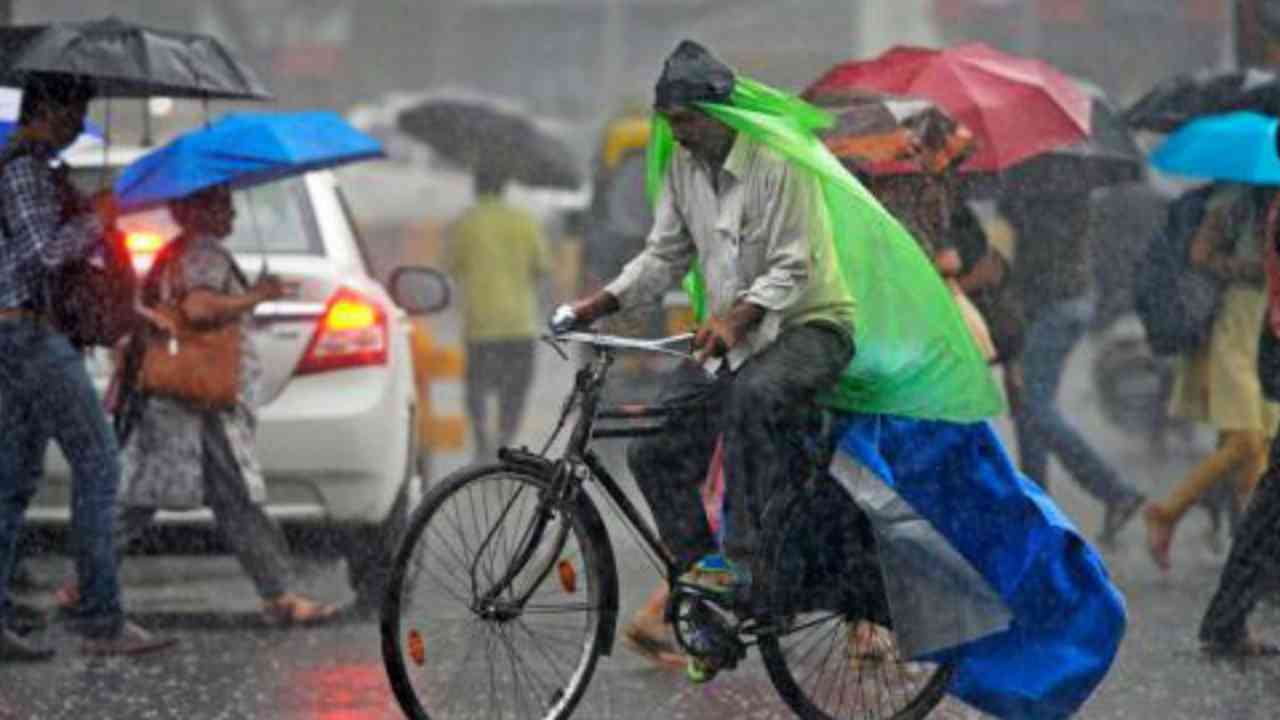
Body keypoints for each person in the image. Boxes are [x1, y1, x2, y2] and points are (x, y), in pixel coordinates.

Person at [553, 40, 856, 654]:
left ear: (720, 115)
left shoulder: (778, 162)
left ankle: (744, 565)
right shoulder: (684, 169)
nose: (678, 133)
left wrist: (736, 318)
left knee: (751, 397)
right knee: (654, 451)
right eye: (670, 121)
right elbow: (665, 255)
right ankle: (704, 588)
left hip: (809, 327)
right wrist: (596, 305)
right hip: (738, 339)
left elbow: (795, 266)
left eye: (687, 121)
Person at [56, 185, 338, 625]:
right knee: (233, 498)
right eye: (221, 203)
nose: (232, 213)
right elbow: (201, 308)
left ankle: (82, 585)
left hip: (178, 400)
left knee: (143, 498)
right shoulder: (204, 252)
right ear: (195, 210)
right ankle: (280, 594)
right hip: (202, 402)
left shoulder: (178, 251)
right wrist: (257, 295)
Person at [0, 77, 175, 661]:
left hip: (23, 333)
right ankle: (100, 617)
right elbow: (40, 253)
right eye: (75, 111)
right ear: (45, 108)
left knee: (13, 479)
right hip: (27, 332)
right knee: (98, 461)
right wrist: (94, 220)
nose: (80, 124)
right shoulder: (21, 168)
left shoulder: (36, 167)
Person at [1145, 184, 1280, 570]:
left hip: (1267, 327)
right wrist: (1255, 268)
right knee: (1246, 441)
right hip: (1234, 328)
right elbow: (1200, 255)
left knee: (1261, 450)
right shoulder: (1234, 201)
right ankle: (1168, 511)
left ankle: (1254, 557)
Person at [1000, 192, 1145, 547]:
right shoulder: (1069, 184)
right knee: (1029, 407)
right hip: (1067, 300)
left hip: (1055, 304)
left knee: (1034, 405)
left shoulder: (1034, 187)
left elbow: (1022, 255)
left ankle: (1113, 490)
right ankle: (1035, 507)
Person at [444, 167, 551, 460]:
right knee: (514, 389)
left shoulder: (465, 223)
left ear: (476, 189)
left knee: (477, 387)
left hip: (480, 325)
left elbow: (451, 266)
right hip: (520, 324)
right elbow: (541, 268)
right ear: (505, 188)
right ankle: (505, 439)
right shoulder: (524, 222)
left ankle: (481, 440)